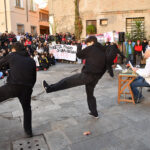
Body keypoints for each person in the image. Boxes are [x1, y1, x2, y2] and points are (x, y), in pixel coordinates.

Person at [42, 36, 106, 118]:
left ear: (92, 42)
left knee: (67, 81)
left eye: (88, 43)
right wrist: (98, 76)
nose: (87, 45)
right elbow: (106, 66)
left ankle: (49, 88)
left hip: (87, 75)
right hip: (95, 78)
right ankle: (94, 112)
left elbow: (79, 55)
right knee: (90, 95)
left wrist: (79, 46)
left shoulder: (91, 48)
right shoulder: (103, 50)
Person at [0, 42, 36, 137]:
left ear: (14, 49)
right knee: (27, 109)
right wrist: (29, 88)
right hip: (26, 88)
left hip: (12, 86)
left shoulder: (13, 55)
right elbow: (34, 78)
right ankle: (28, 131)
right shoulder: (31, 60)